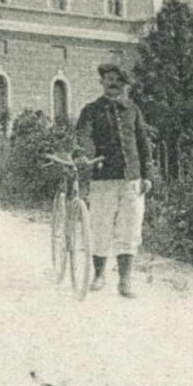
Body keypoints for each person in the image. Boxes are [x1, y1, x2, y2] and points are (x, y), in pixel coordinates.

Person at [74, 62, 153, 297]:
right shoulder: (91, 110)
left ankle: (125, 281)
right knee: (100, 227)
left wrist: (148, 175)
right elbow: (84, 136)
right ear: (102, 83)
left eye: (117, 81)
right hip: (103, 178)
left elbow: (143, 144)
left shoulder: (133, 110)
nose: (113, 84)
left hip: (132, 179)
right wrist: (81, 154)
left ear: (124, 86)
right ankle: (99, 275)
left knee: (130, 229)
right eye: (108, 80)